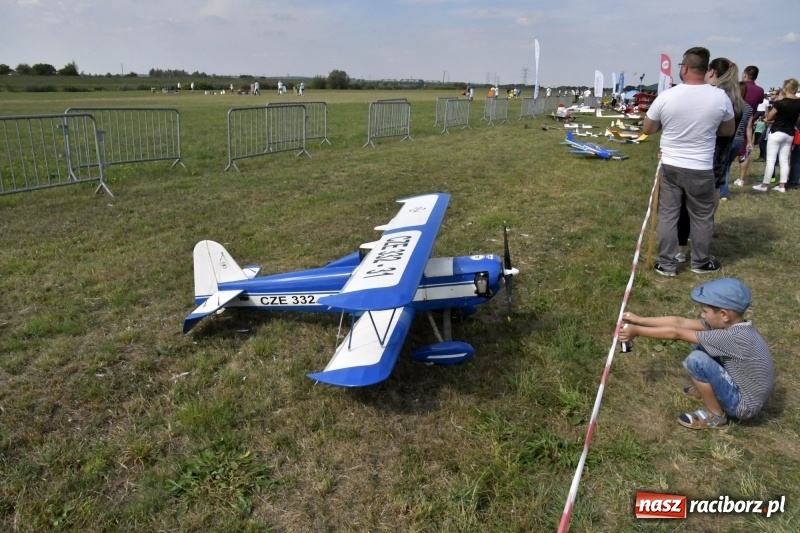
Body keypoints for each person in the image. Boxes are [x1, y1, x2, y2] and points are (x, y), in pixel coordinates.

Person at [619, 278, 774, 430]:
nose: (702, 315)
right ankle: (709, 391)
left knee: (696, 361)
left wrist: (637, 331)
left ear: (724, 314)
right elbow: (680, 323)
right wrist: (639, 320)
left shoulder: (731, 337)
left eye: (705, 311)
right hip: (740, 387)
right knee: (699, 342)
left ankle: (716, 416)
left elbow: (677, 333)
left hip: (742, 405)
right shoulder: (733, 326)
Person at [642, 47, 735, 276]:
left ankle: (667, 263)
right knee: (702, 216)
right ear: (706, 69)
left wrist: (669, 124)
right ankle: (700, 262)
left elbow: (648, 128)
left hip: (671, 164)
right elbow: (727, 130)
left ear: (684, 68)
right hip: (701, 166)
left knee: (668, 214)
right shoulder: (719, 97)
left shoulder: (667, 96)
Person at [753, 78, 800, 192]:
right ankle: (782, 186)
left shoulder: (781, 102)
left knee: (771, 160)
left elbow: (769, 117)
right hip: (789, 133)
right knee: (784, 160)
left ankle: (764, 185)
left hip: (777, 131)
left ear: (785, 88)